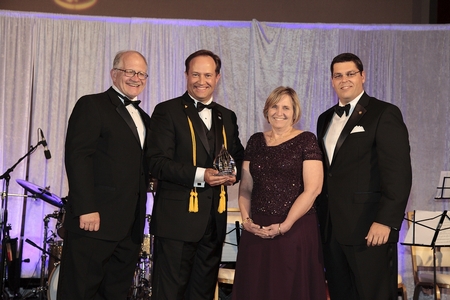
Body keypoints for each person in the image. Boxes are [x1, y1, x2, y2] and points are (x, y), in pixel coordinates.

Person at [148, 49, 245, 300]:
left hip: (213, 223)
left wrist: (234, 172)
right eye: (195, 74)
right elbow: (156, 163)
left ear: (218, 77)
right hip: (176, 223)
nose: (201, 80)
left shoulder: (228, 116)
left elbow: (238, 155)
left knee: (202, 294)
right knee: (170, 294)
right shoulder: (166, 111)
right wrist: (202, 175)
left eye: (208, 74)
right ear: (185, 75)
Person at [316, 52, 412, 300]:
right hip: (332, 229)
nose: (344, 80)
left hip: (370, 229)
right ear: (331, 80)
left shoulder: (384, 113)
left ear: (363, 76)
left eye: (350, 74)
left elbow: (398, 174)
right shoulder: (324, 118)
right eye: (338, 75)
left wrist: (387, 221)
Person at [58, 50, 151, 299]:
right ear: (114, 73)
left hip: (130, 227)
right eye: (130, 71)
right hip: (93, 221)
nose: (136, 78)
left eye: (141, 73)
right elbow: (78, 157)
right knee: (80, 291)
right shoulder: (92, 104)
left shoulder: (145, 118)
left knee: (116, 292)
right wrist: (86, 207)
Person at [232, 86, 327, 300]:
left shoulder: (307, 140)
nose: (279, 112)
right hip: (257, 230)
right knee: (255, 289)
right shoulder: (255, 141)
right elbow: (246, 187)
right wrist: (246, 220)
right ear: (267, 110)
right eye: (274, 106)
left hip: (295, 228)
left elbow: (313, 190)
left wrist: (285, 226)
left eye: (286, 107)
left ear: (295, 113)